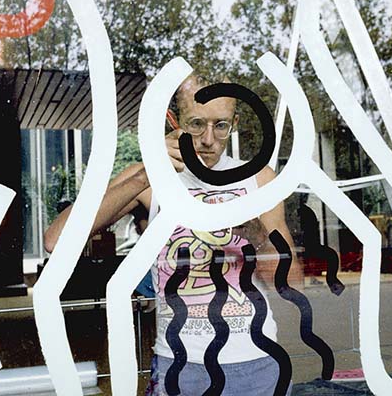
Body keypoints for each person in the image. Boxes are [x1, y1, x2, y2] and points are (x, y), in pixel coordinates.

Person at [44, 75, 298, 395]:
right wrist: (148, 173)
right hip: (181, 365)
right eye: (196, 124)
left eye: (220, 125)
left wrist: (256, 232)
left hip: (256, 363)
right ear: (175, 122)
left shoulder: (259, 178)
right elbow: (56, 239)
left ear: (233, 123)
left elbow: (289, 281)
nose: (208, 139)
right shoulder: (150, 178)